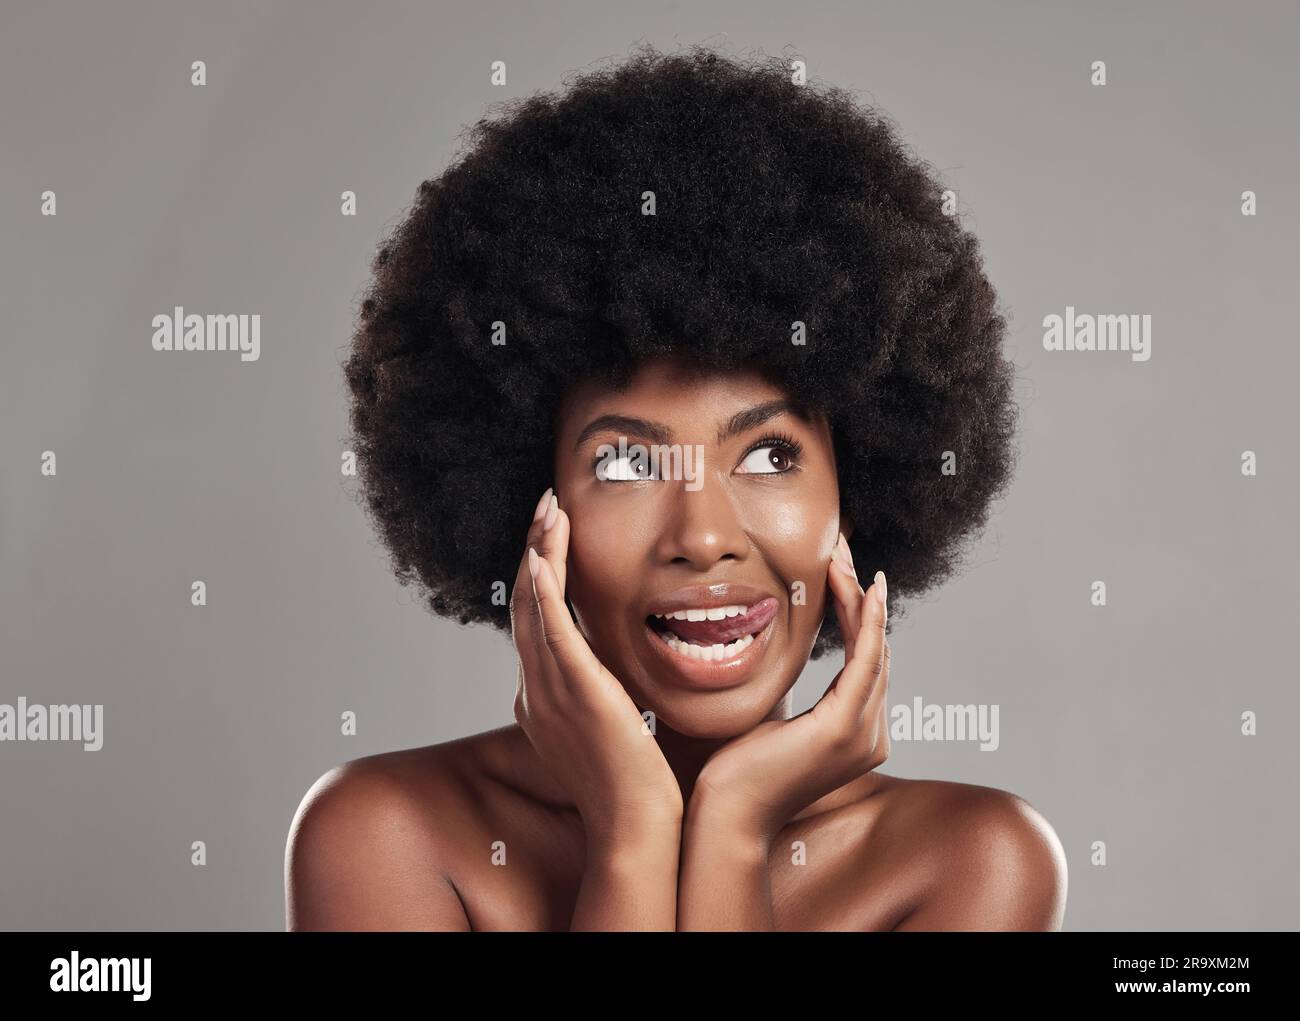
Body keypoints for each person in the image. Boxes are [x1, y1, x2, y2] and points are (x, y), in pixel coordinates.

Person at [285, 44, 1067, 931]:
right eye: (624, 462)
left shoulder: (972, 860)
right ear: (526, 506)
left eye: (771, 455)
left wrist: (732, 825)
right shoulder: (391, 834)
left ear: (859, 485)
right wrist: (634, 829)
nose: (703, 536)